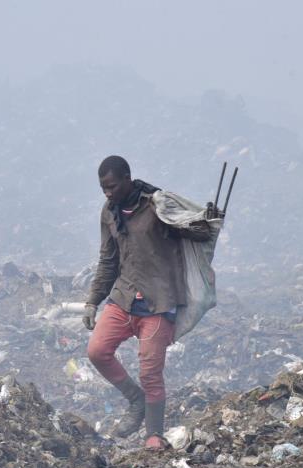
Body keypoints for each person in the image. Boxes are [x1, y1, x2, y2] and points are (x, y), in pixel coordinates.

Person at [83, 155, 210, 450]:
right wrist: (92, 301)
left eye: (112, 186)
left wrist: (206, 219)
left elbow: (193, 230)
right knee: (97, 350)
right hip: (124, 296)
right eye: (103, 188)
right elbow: (108, 260)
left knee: (151, 372)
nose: (108, 193)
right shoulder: (109, 213)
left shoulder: (157, 205)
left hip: (159, 301)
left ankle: (154, 435)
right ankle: (135, 399)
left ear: (127, 178)